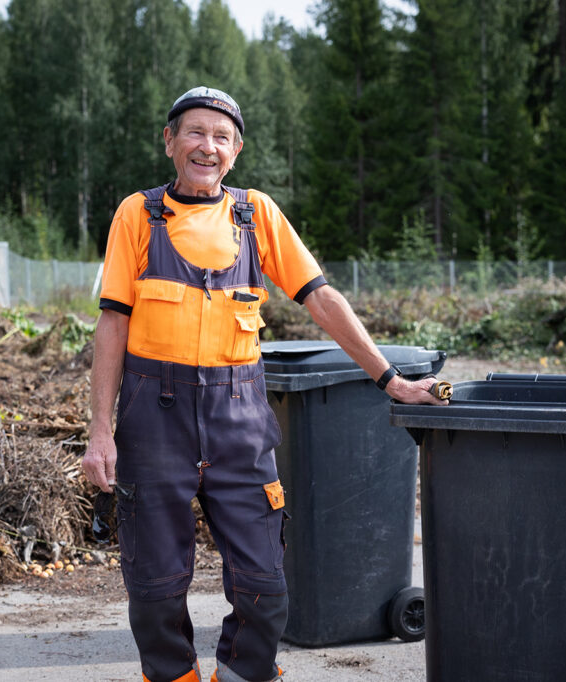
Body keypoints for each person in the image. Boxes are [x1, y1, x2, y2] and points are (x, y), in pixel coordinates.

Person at [81, 86, 447, 682]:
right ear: (169, 142)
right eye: (195, 133)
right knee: (154, 589)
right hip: (155, 418)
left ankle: (243, 674)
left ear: (237, 150)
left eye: (221, 137)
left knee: (264, 587)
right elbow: (112, 325)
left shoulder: (256, 214)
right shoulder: (137, 214)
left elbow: (322, 300)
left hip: (239, 417)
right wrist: (100, 433)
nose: (208, 146)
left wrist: (390, 379)